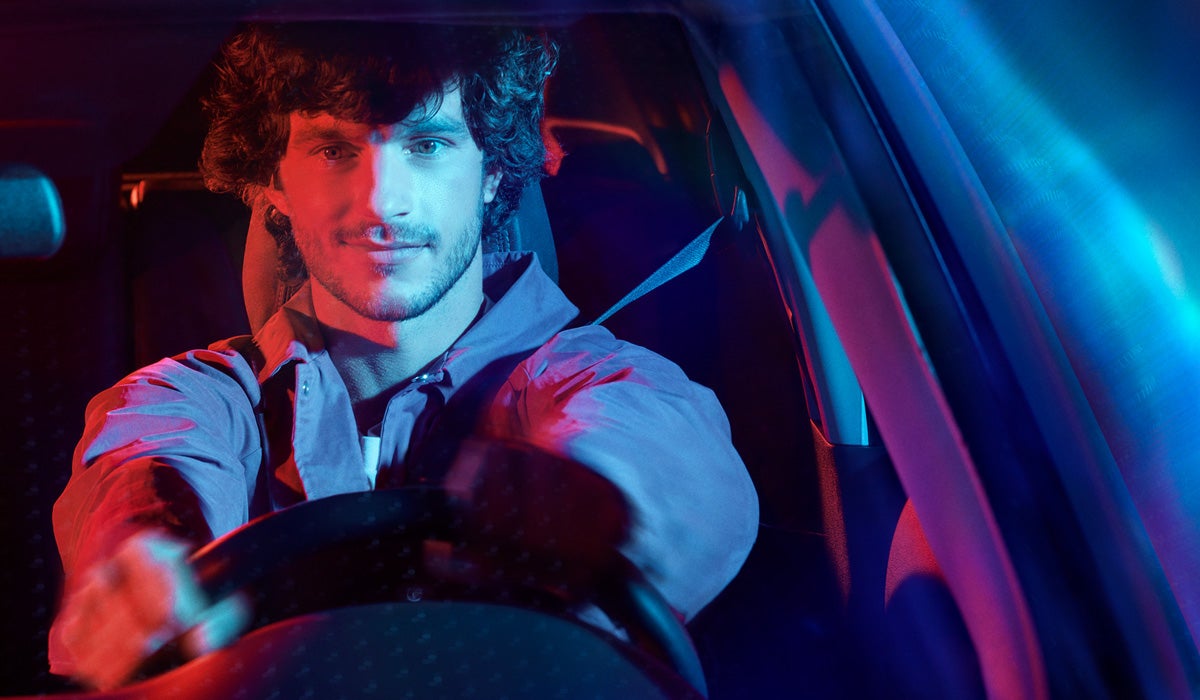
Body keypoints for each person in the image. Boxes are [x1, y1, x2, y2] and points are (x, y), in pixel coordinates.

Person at [49, 21, 759, 690]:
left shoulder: (590, 378)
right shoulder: (199, 395)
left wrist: (586, 493)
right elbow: (146, 460)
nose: (382, 203)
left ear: (492, 171)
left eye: (427, 144)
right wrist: (146, 560)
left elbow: (663, 450)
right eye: (334, 150)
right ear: (274, 184)